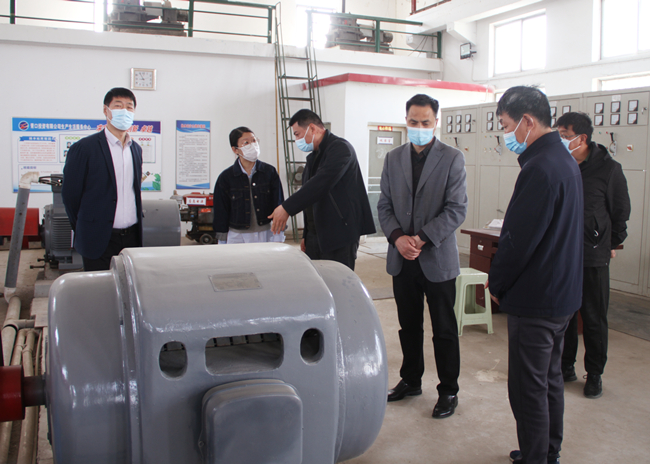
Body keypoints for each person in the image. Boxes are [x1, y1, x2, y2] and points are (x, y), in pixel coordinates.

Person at [486, 86, 583, 464]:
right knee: (550, 380)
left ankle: (535, 457)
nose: (505, 134)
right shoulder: (563, 161)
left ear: (527, 121)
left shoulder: (540, 168)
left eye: (505, 125)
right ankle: (546, 450)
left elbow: (518, 241)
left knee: (528, 389)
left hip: (537, 298)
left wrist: (497, 283)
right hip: (561, 296)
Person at [377, 94, 467, 419]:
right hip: (402, 259)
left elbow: (456, 209)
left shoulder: (452, 158)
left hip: (436, 259)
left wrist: (421, 238)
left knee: (444, 329)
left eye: (425, 122)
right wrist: (398, 238)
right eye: (413, 122)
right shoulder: (393, 158)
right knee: (409, 326)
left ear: (436, 122)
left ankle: (448, 390)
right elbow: (384, 205)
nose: (419, 127)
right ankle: (411, 380)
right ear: (406, 121)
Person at [556, 112, 631, 399]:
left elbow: (621, 213)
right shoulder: (561, 164)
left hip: (593, 256)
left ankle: (595, 373)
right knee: (564, 314)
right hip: (563, 254)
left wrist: (609, 243)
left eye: (565, 136)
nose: (561, 140)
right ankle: (565, 366)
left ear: (582, 138)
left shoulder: (608, 169)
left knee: (594, 317)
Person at [268, 109, 375, 270]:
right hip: (316, 235)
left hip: (340, 234)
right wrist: (307, 234)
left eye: (297, 134)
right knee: (318, 281)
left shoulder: (341, 149)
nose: (297, 140)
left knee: (338, 280)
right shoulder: (314, 157)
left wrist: (287, 208)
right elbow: (310, 199)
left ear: (312, 128)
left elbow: (321, 184)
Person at [62, 87, 143, 271]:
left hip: (131, 238)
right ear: (106, 110)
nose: (124, 111)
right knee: (100, 287)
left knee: (128, 286)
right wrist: (85, 226)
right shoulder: (84, 148)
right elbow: (70, 196)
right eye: (118, 106)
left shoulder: (135, 149)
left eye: (129, 107)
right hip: (97, 238)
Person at [213, 127, 285, 244]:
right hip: (236, 236)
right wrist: (222, 238)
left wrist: (279, 234)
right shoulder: (226, 177)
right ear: (235, 150)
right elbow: (221, 210)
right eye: (246, 142)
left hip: (265, 232)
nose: (252, 145)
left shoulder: (269, 172)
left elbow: (278, 204)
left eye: (254, 140)